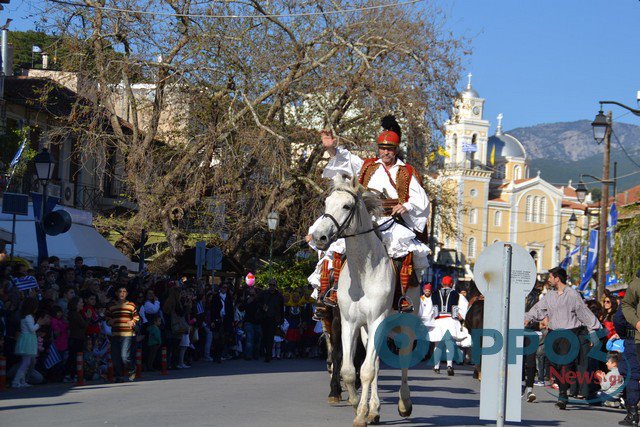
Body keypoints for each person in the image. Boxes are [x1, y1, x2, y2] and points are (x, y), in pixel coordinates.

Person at [309, 116, 431, 314]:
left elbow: (422, 200)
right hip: (366, 217)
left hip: (391, 220)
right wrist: (331, 149)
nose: (385, 153)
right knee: (338, 246)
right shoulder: (367, 165)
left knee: (404, 248)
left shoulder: (407, 171)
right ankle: (331, 291)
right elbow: (345, 161)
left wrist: (406, 206)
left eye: (389, 149)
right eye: (382, 149)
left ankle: (401, 296)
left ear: (396, 150)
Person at [524, 266, 601, 410]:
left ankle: (562, 394)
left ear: (557, 278)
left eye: (550, 277)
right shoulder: (550, 295)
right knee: (554, 364)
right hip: (553, 334)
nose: (548, 280)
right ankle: (563, 388)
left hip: (569, 334)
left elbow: (583, 312)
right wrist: (527, 318)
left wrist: (593, 330)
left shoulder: (572, 294)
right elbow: (538, 308)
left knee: (565, 365)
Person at [430, 276, 468, 376]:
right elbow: (461, 308)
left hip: (438, 320)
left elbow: (432, 309)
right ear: (451, 284)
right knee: (449, 344)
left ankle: (436, 367)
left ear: (442, 284)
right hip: (450, 320)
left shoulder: (434, 294)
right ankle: (449, 365)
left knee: (437, 345)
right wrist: (460, 317)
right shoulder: (457, 294)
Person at [12, 298, 49, 388]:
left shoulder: (26, 316)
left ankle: (22, 381)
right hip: (27, 339)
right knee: (25, 362)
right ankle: (16, 381)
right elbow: (32, 329)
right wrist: (39, 323)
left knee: (26, 362)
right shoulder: (28, 316)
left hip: (28, 339)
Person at [106, 285, 140, 383]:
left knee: (125, 356)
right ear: (116, 293)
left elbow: (136, 317)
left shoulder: (131, 305)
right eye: (120, 291)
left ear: (127, 293)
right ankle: (119, 376)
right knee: (115, 357)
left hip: (127, 334)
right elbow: (107, 317)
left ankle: (132, 368)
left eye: (124, 291)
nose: (122, 293)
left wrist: (132, 322)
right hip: (115, 333)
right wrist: (110, 321)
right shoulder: (111, 305)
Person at [257, 279, 284, 362]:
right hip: (264, 318)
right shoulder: (263, 293)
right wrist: (262, 307)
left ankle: (268, 355)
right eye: (270, 285)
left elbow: (281, 308)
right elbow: (258, 303)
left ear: (275, 286)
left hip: (273, 319)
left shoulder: (279, 295)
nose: (272, 286)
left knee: (271, 337)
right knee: (264, 337)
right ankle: (266, 353)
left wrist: (281, 319)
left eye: (273, 285)